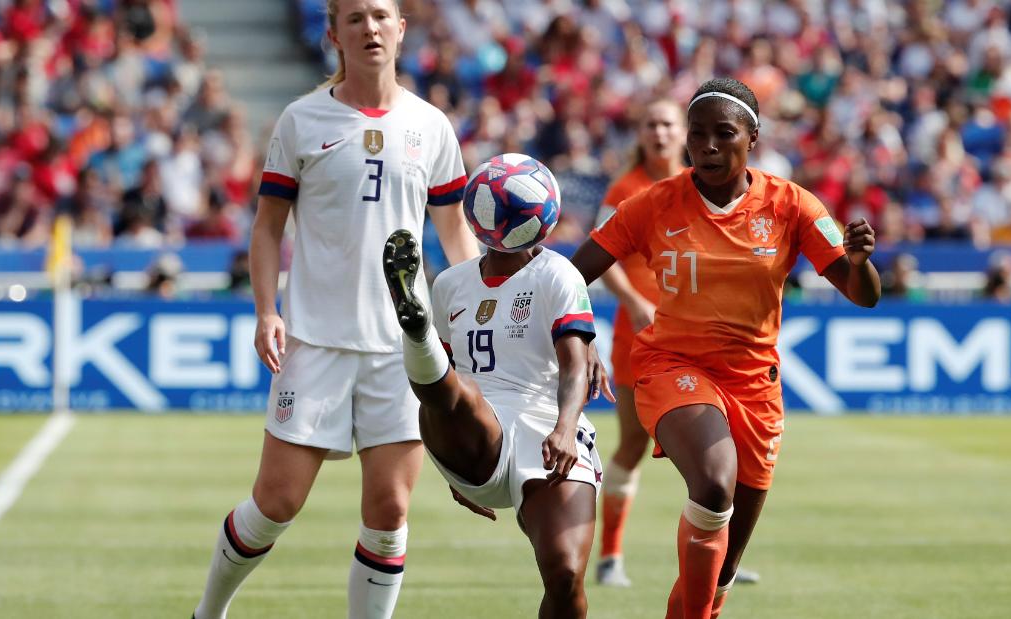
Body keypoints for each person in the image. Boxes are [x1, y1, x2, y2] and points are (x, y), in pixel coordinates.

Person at [190, 1, 478, 618]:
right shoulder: (301, 120)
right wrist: (267, 310)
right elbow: (267, 229)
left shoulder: (432, 126)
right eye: (354, 19)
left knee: (389, 512)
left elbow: (455, 237)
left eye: (380, 16)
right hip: (315, 342)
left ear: (400, 29)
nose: (369, 28)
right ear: (333, 34)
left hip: (403, 351)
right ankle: (208, 612)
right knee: (276, 504)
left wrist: (476, 312)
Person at [571, 77, 880, 619]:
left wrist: (858, 263)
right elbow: (576, 273)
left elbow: (863, 296)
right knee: (714, 484)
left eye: (723, 134)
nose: (708, 146)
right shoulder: (650, 202)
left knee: (723, 567)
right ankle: (618, 558)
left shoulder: (792, 205)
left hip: (755, 383)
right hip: (672, 365)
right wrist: (579, 337)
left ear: (752, 138)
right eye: (698, 136)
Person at [381, 218, 602, 619]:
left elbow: (575, 367)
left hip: (546, 426)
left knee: (565, 574)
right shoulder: (450, 283)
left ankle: (418, 334)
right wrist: (452, 459)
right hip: (477, 423)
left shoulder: (558, 273)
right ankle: (416, 330)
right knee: (459, 390)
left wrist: (566, 429)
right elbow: (440, 390)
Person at [594, 96, 761, 589]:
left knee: (725, 454)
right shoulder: (627, 189)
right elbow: (602, 256)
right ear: (642, 134)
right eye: (652, 125)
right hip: (645, 337)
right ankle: (610, 557)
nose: (660, 133)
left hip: (710, 342)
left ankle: (720, 560)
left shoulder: (712, 187)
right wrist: (632, 301)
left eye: (668, 124)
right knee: (632, 444)